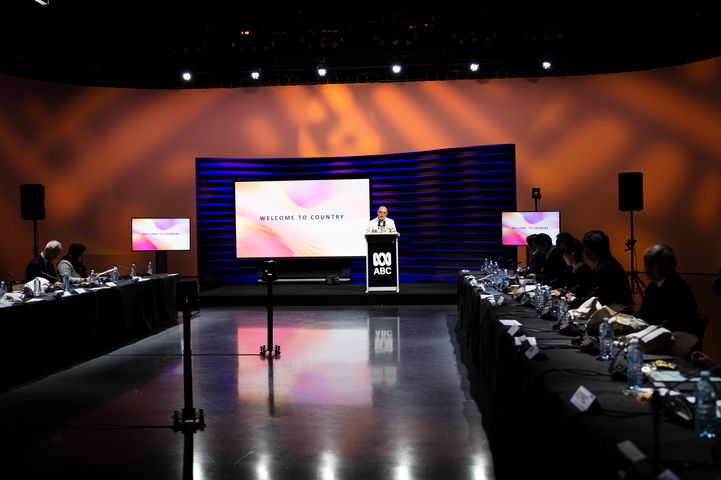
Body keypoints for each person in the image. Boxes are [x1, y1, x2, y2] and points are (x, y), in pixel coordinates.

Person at [635, 243, 699, 334]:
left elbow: (671, 323)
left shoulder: (677, 288)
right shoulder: (653, 285)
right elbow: (644, 313)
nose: (647, 267)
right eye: (645, 263)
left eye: (652, 263)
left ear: (668, 265)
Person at [568, 230, 632, 309]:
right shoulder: (608, 261)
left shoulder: (602, 268)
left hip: (616, 311)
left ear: (589, 250)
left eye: (585, 247)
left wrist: (573, 299)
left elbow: (594, 301)